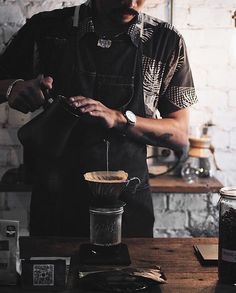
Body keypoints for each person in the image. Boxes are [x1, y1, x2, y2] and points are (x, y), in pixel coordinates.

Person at [0, 0, 197, 237]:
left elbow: (179, 134)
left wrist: (119, 119)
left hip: (128, 202)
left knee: (128, 273)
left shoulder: (165, 41)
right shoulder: (46, 28)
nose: (133, 1)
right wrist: (13, 88)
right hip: (56, 198)